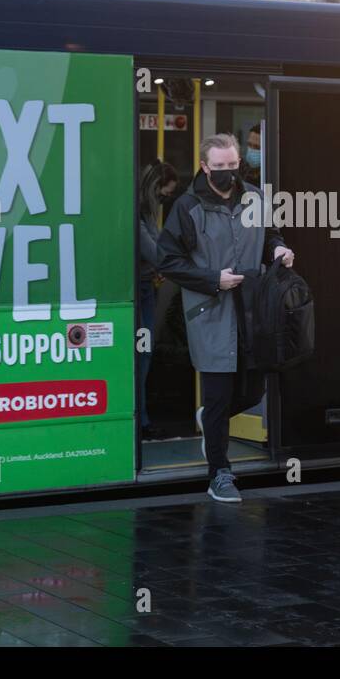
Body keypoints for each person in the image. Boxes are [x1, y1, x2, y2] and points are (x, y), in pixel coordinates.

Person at [157, 134, 292, 502]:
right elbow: (167, 260)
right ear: (204, 167)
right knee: (219, 395)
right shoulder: (186, 207)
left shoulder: (255, 198)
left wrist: (279, 247)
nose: (228, 173)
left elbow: (270, 236)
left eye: (233, 166)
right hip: (212, 312)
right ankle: (220, 473)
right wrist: (212, 280)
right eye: (220, 167)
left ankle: (210, 421)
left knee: (252, 391)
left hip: (252, 310)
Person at [136, 158, 179, 439]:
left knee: (144, 356)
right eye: (166, 193)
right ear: (155, 189)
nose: (167, 199)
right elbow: (155, 252)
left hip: (147, 288)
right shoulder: (137, 215)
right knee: (142, 356)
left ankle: (143, 418)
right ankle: (140, 422)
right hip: (140, 292)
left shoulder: (147, 214)